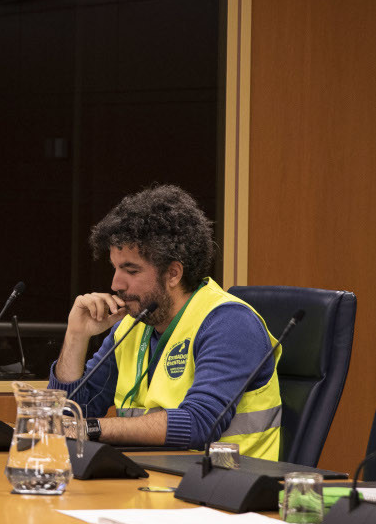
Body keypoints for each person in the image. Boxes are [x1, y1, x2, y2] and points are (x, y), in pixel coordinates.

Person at [49, 184, 281, 457]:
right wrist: (77, 336)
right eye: (115, 269)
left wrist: (92, 429)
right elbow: (69, 416)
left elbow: (199, 424)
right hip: (154, 483)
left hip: (226, 489)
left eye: (130, 270)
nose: (115, 284)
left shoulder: (229, 324)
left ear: (173, 274)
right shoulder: (132, 325)